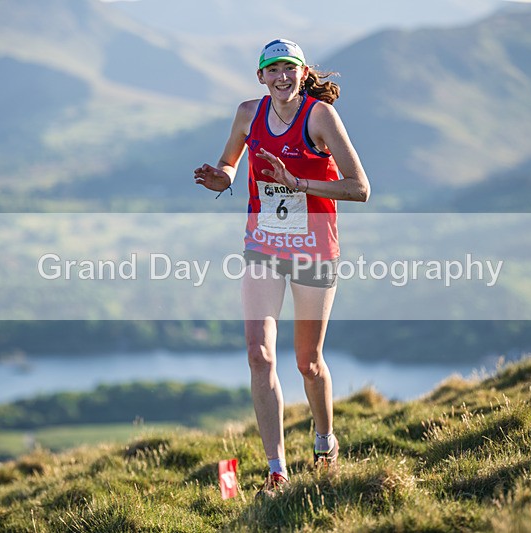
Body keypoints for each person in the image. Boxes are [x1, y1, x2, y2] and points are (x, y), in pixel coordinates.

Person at [194, 38, 370, 497]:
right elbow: (230, 163)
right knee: (260, 355)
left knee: (308, 363)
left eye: (289, 68)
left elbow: (360, 188)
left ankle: (324, 441)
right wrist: (222, 178)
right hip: (263, 246)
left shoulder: (320, 117)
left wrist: (297, 182)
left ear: (303, 71)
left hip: (314, 248)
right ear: (261, 77)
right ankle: (276, 469)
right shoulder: (248, 114)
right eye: (272, 70)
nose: (281, 77)